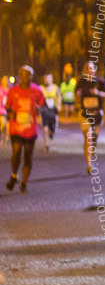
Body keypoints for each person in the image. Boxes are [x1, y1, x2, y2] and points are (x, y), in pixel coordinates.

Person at [5, 65, 45, 193]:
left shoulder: (37, 90)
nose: (24, 77)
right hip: (16, 127)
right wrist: (10, 113)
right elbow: (7, 107)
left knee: (28, 155)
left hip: (30, 129)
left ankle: (23, 183)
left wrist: (40, 109)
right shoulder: (13, 91)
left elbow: (43, 105)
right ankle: (14, 175)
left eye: (27, 74)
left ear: (31, 76)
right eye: (22, 74)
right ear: (19, 75)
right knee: (16, 152)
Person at [76, 61, 105, 174]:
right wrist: (78, 94)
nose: (89, 70)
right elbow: (76, 93)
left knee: (94, 139)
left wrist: (98, 93)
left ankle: (91, 154)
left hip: (97, 114)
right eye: (87, 68)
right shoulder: (81, 81)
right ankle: (89, 164)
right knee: (89, 137)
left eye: (91, 68)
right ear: (84, 70)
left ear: (95, 69)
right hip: (85, 114)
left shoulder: (100, 81)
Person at [39, 72, 60, 152]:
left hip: (53, 110)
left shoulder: (55, 87)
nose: (46, 80)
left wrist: (58, 105)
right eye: (45, 79)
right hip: (44, 110)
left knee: (53, 127)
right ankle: (46, 145)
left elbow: (59, 96)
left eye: (48, 78)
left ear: (51, 79)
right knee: (44, 128)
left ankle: (52, 132)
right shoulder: (40, 88)